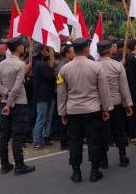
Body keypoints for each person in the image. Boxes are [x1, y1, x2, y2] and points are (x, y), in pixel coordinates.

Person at [57, 38, 113, 183]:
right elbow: (104, 90)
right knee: (94, 141)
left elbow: (61, 93)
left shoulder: (64, 69)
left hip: (73, 110)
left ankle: (76, 172)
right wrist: (106, 109)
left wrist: (62, 112)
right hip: (93, 110)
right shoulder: (96, 67)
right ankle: (94, 172)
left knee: (75, 142)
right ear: (87, 49)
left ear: (73, 51)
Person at [0, 37, 35, 176]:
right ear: (18, 48)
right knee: (17, 135)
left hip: (6, 101)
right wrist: (10, 100)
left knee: (4, 134)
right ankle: (19, 165)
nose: (23, 48)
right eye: (22, 46)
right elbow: (17, 87)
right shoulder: (19, 65)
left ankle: (4, 164)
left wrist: (6, 95)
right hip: (18, 103)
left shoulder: (2, 64)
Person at [97, 40, 133, 168]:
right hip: (116, 103)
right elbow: (124, 88)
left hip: (100, 105)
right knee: (119, 131)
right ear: (109, 50)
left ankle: (103, 160)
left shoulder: (94, 66)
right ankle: (122, 157)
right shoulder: (118, 65)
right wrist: (127, 104)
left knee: (101, 133)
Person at [32, 44, 55, 149]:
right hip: (43, 95)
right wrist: (51, 68)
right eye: (46, 50)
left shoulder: (39, 63)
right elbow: (49, 77)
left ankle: (44, 137)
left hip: (45, 95)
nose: (47, 52)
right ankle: (37, 140)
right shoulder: (41, 64)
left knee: (46, 118)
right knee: (41, 118)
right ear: (41, 51)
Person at [55, 43, 74, 150]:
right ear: (67, 54)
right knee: (63, 119)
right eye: (72, 52)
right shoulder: (61, 66)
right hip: (62, 95)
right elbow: (60, 82)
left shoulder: (68, 64)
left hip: (68, 95)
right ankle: (64, 142)